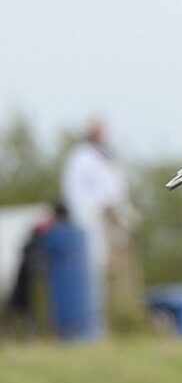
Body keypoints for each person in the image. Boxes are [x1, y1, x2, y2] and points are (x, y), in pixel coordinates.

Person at [60, 120, 132, 335]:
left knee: (119, 270)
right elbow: (75, 192)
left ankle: (122, 317)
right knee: (95, 268)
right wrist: (92, 211)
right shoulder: (81, 158)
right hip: (92, 219)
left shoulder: (105, 156)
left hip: (112, 217)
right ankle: (95, 324)